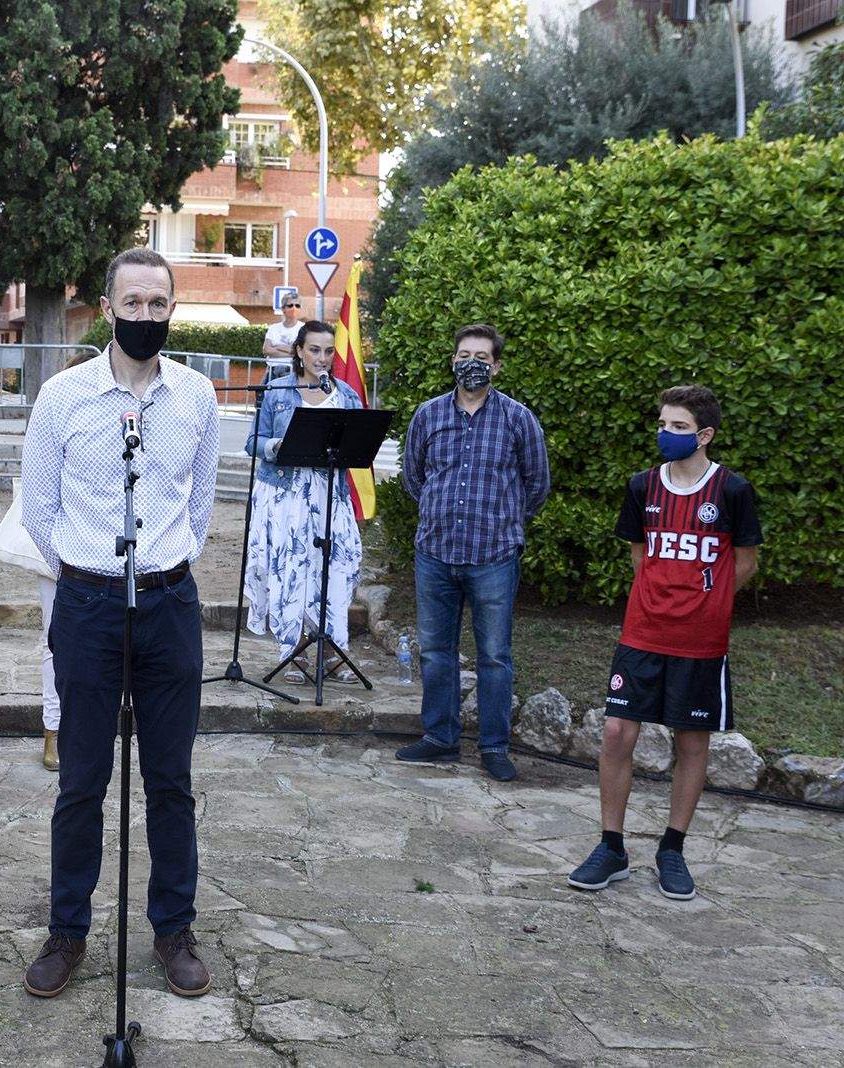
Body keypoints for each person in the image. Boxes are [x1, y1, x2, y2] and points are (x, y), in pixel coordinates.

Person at [19, 247, 220, 1000]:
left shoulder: (195, 397)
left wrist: (165, 562)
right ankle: (67, 932)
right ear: (106, 309)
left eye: (157, 304)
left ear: (173, 309)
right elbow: (40, 507)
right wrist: (87, 569)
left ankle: (174, 930)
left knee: (170, 779)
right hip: (89, 604)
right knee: (82, 779)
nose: (145, 317)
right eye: (131, 304)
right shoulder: (64, 396)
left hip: (168, 602)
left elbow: (197, 505)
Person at [568, 385, 760, 901]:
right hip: (643, 631)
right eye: (662, 424)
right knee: (615, 733)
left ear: (704, 435)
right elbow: (639, 553)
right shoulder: (642, 486)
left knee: (691, 741)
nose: (665, 434)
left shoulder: (733, 491)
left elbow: (744, 563)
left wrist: (707, 601)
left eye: (678, 427)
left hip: (700, 638)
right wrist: (659, 596)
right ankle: (611, 847)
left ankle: (672, 851)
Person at [397, 323, 549, 782]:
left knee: (494, 656)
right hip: (436, 552)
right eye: (465, 354)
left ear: (497, 366)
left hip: (494, 555)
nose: (473, 363)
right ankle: (440, 739)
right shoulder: (427, 415)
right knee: (436, 652)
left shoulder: (518, 418)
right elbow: (413, 477)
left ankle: (494, 746)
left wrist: (504, 523)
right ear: (452, 361)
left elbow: (536, 484)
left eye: (482, 357)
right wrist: (437, 511)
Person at [0, 352, 102, 772]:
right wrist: (60, 558)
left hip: (113, 556)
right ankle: (53, 729)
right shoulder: (55, 413)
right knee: (57, 641)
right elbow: (39, 495)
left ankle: (93, 729)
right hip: (61, 553)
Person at [243, 320, 364, 683]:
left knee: (335, 571)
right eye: (314, 349)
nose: (322, 358)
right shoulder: (277, 391)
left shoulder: (346, 396)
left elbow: (358, 445)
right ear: (299, 351)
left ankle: (332, 651)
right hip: (284, 495)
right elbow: (253, 442)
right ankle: (292, 651)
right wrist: (274, 447)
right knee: (289, 573)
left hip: (330, 495)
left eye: (328, 351)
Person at [261, 293, 303, 379]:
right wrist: (290, 352)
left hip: (292, 371)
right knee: (262, 392)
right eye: (290, 305)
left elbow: (300, 352)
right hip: (272, 371)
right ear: (283, 309)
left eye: (297, 305)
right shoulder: (273, 328)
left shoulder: (303, 328)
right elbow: (266, 350)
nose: (294, 308)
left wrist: (277, 347)